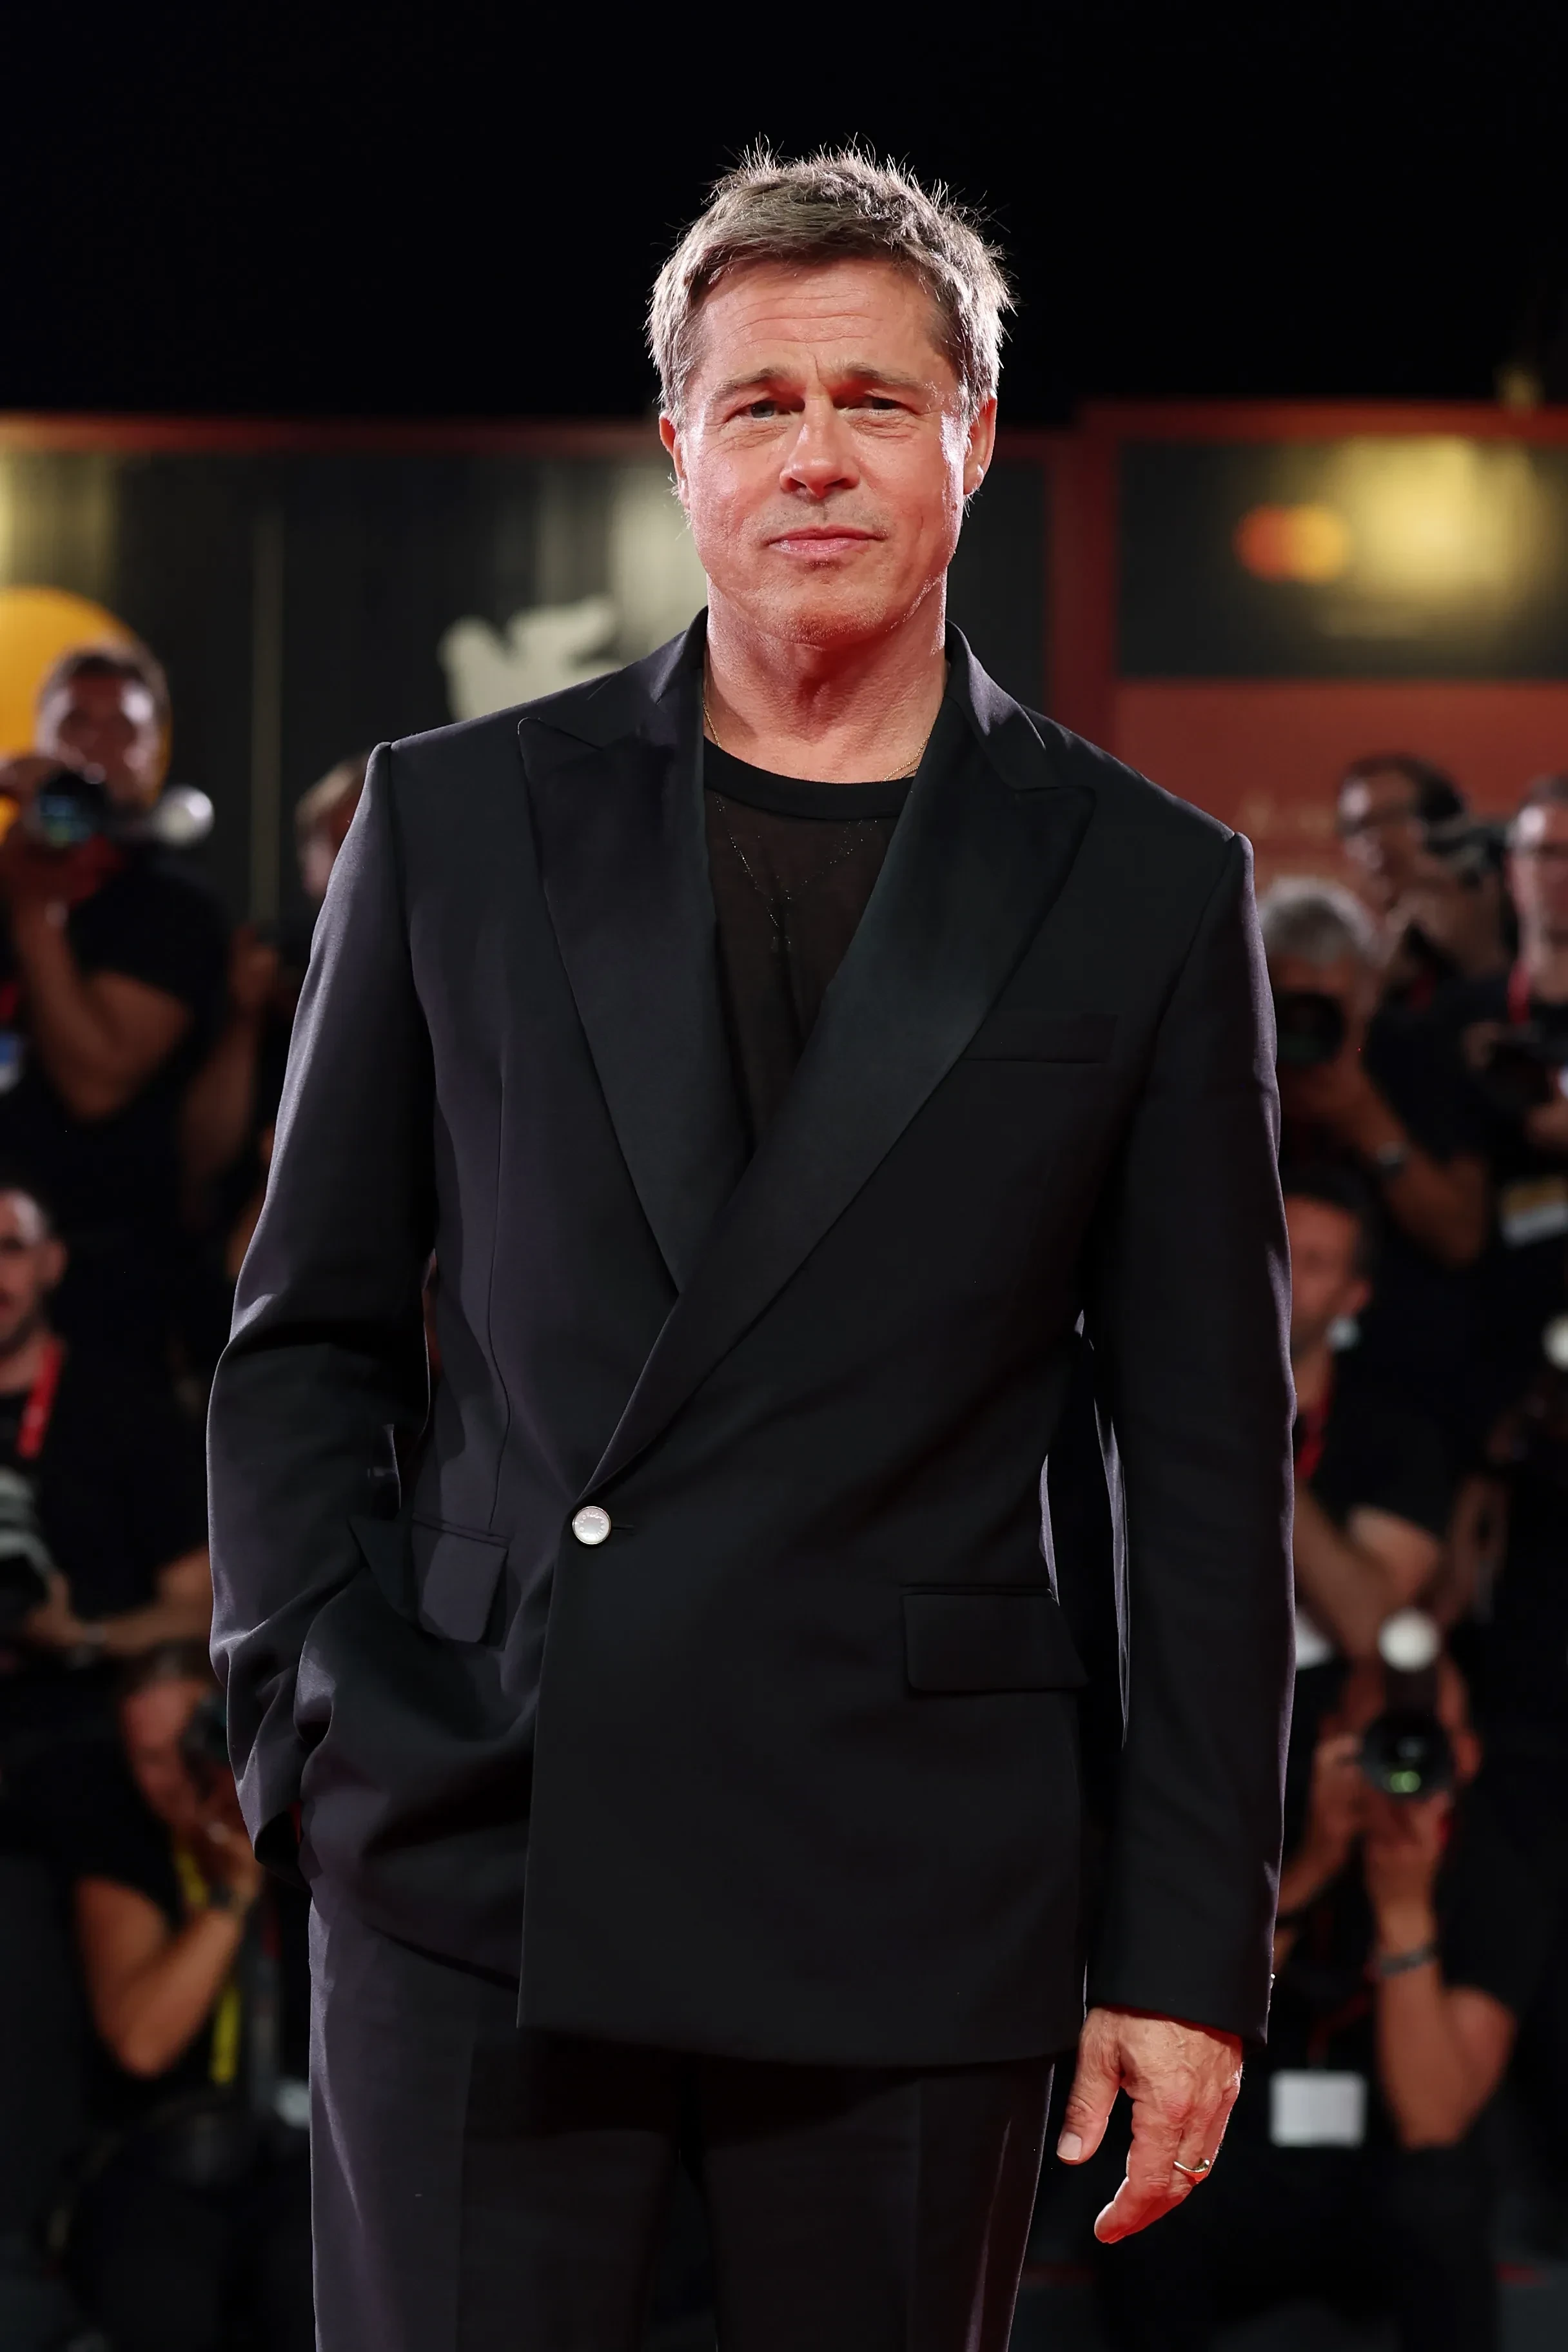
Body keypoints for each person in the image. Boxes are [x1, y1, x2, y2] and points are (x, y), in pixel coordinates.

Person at [209, 148, 1294, 2352]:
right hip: (481, 1835)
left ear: (972, 440)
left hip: (913, 1874)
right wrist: (313, 1720)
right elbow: (306, 1331)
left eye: (877, 401)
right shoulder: (456, 818)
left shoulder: (1145, 883)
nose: (817, 454)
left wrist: (1186, 1948)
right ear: (679, 446)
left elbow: (1202, 1459)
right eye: (763, 402)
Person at [1096, 1657, 1522, 2351]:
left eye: (1423, 1736)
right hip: (1246, 2162)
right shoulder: (1254, 1832)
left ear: (1466, 1755)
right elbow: (1191, 2023)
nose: (1401, 1761)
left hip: (1384, 2178)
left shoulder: (1494, 1870)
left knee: (1442, 2196)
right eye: (1380, 1734)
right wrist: (1314, 1864)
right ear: (1326, 1736)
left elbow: (1434, 2120)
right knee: (1148, 2187)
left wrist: (1404, 1911)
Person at [64, 1642, 312, 2352]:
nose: (176, 1776)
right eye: (148, 1758)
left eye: (193, 1743)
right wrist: (230, 1896)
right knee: (159, 2290)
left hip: (303, 2149)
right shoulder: (126, 1852)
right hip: (166, 2150)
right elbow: (144, 2044)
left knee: (311, 2280)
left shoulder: (313, 1834)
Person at [0, 645, 229, 1364]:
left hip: (113, 1283)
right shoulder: (10, 867)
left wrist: (34, 912)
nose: (96, 747)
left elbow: (96, 1083)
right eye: (76, 724)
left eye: (122, 728)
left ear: (155, 751)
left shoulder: (178, 907)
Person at [0, 1168, 211, 1813]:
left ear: (51, 1262)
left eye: (10, 1249)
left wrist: (81, 1636)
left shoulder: (124, 1410)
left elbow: (203, 1607)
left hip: (92, 1740)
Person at [1261, 876, 1489, 1463]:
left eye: (1332, 1006)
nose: (1312, 1027)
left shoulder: (1417, 1057)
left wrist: (1366, 1118)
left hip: (1401, 1379)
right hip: (1252, 1367)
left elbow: (1460, 1237)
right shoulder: (1227, 1074)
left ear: (1367, 995)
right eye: (1293, 1007)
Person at [1282, 1162, 1451, 1818]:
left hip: (1309, 1755)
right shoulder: (1155, 1398)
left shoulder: (1397, 1437)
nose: (1282, 1274)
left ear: (1353, 1296)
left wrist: (1248, 1428)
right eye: (1272, 1245)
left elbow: (1372, 1630)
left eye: (1314, 1262)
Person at [1338, 752, 1509, 1010]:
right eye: (1360, 826)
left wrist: (1479, 957)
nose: (1378, 839)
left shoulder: (1506, 917)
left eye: (1394, 817)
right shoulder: (1339, 946)